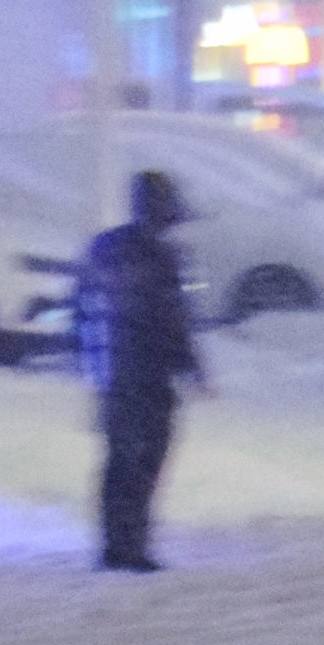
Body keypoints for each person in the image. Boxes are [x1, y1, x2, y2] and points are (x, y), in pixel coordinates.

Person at [77, 167, 203, 574]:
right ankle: (132, 545)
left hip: (115, 374)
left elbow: (82, 306)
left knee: (119, 461)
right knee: (145, 461)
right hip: (149, 377)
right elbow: (172, 320)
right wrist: (190, 367)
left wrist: (84, 360)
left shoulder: (105, 247)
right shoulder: (161, 257)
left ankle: (115, 544)